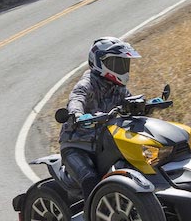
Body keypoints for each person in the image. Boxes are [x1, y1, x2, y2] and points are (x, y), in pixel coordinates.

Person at [59, 36, 141, 200]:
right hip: (77, 145)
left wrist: (145, 104)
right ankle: (92, 215)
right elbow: (77, 98)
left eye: (124, 63)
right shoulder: (87, 84)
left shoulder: (118, 88)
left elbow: (130, 102)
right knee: (90, 179)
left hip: (105, 144)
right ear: (100, 62)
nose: (123, 68)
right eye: (117, 63)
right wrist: (77, 114)